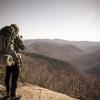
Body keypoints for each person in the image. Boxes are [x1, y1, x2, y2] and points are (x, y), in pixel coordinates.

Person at [3, 24, 25, 99]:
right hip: (15, 60)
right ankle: (13, 95)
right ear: (17, 31)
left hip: (8, 59)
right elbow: (23, 47)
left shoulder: (6, 36)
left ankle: (7, 93)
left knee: (7, 77)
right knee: (14, 78)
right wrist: (20, 40)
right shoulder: (16, 37)